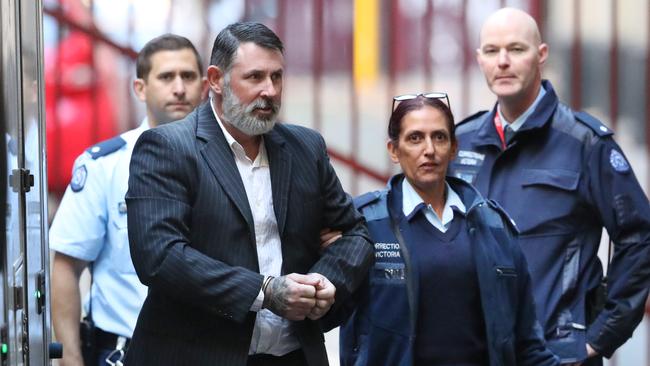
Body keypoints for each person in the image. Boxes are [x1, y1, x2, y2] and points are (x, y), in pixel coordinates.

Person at [124, 22, 374, 366]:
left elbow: (356, 234)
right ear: (215, 80)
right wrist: (266, 291)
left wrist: (325, 282)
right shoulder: (168, 147)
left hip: (293, 354)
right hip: (198, 354)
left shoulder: (305, 148)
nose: (269, 91)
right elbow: (160, 258)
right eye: (255, 77)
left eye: (277, 77)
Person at [448, 8, 650, 365]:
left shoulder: (584, 144)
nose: (504, 62)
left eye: (517, 49)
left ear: (541, 55)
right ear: (479, 59)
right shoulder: (460, 143)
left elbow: (639, 238)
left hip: (556, 354)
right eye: (492, 51)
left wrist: (600, 336)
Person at [332, 94, 558, 366]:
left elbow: (527, 343)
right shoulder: (365, 224)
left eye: (439, 137)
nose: (429, 149)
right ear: (393, 150)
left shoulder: (493, 225)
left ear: (453, 148)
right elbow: (325, 311)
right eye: (415, 138)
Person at [50, 34, 206, 366]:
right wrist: (71, 360)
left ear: (205, 86)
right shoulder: (104, 167)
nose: (179, 88)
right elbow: (66, 266)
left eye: (188, 76)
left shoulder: (232, 165)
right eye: (166, 77)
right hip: (124, 353)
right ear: (140, 88)